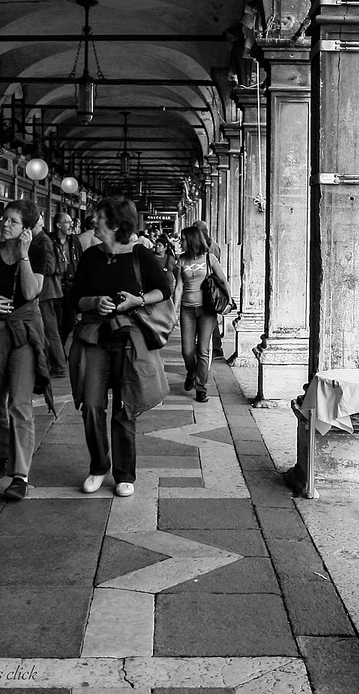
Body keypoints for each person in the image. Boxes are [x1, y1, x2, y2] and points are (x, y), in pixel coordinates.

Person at [68, 196, 171, 496]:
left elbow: (163, 290)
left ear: (115, 223)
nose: (93, 221)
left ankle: (125, 473)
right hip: (95, 340)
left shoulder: (139, 254)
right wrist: (94, 302)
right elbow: (74, 297)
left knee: (125, 409)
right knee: (92, 405)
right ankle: (98, 465)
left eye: (98, 217)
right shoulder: (90, 256)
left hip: (129, 341)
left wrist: (136, 300)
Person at [0, 199, 52, 500]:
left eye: (13, 221)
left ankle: (20, 474)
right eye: (4, 218)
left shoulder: (37, 253)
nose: (4, 224)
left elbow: (31, 292)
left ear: (26, 229)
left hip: (24, 335)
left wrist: (25, 255)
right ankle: (2, 453)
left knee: (20, 402)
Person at [174, 224, 232, 403]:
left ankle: (201, 387)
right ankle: (191, 371)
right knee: (187, 350)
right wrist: (173, 310)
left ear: (191, 240)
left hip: (207, 310)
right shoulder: (181, 261)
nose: (180, 242)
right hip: (187, 309)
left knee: (203, 350)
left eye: (183, 239)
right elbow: (178, 287)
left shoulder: (210, 258)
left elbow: (222, 280)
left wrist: (229, 300)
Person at [31, 213, 67, 377]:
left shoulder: (43, 241)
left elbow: (50, 267)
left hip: (47, 291)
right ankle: (55, 364)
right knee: (49, 330)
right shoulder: (42, 239)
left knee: (51, 330)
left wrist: (33, 271)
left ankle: (59, 366)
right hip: (48, 290)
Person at [193, 219, 225, 357]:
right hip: (212, 285)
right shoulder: (215, 245)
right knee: (211, 317)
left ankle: (210, 348)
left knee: (206, 317)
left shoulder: (205, 246)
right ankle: (216, 347)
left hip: (205, 286)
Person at [51, 213, 82, 348]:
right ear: (58, 225)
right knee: (55, 321)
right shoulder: (50, 240)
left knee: (69, 322)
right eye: (68, 222)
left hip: (71, 286)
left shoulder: (74, 240)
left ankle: (62, 347)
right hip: (55, 285)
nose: (71, 225)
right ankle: (57, 352)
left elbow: (79, 261)